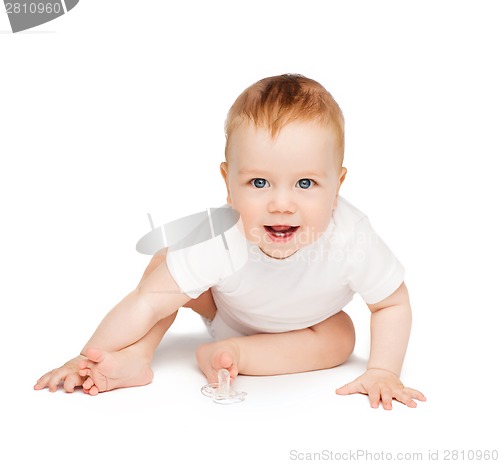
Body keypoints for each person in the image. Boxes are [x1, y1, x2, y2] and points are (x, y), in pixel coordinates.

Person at [34, 74, 426, 409]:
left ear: (337, 186)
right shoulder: (222, 236)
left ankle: (234, 356)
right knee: (164, 266)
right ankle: (137, 355)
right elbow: (145, 303)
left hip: (305, 329)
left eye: (305, 183)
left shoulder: (351, 237)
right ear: (228, 183)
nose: (281, 204)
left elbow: (391, 302)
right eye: (259, 183)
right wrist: (82, 358)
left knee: (342, 336)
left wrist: (382, 371)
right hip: (223, 306)